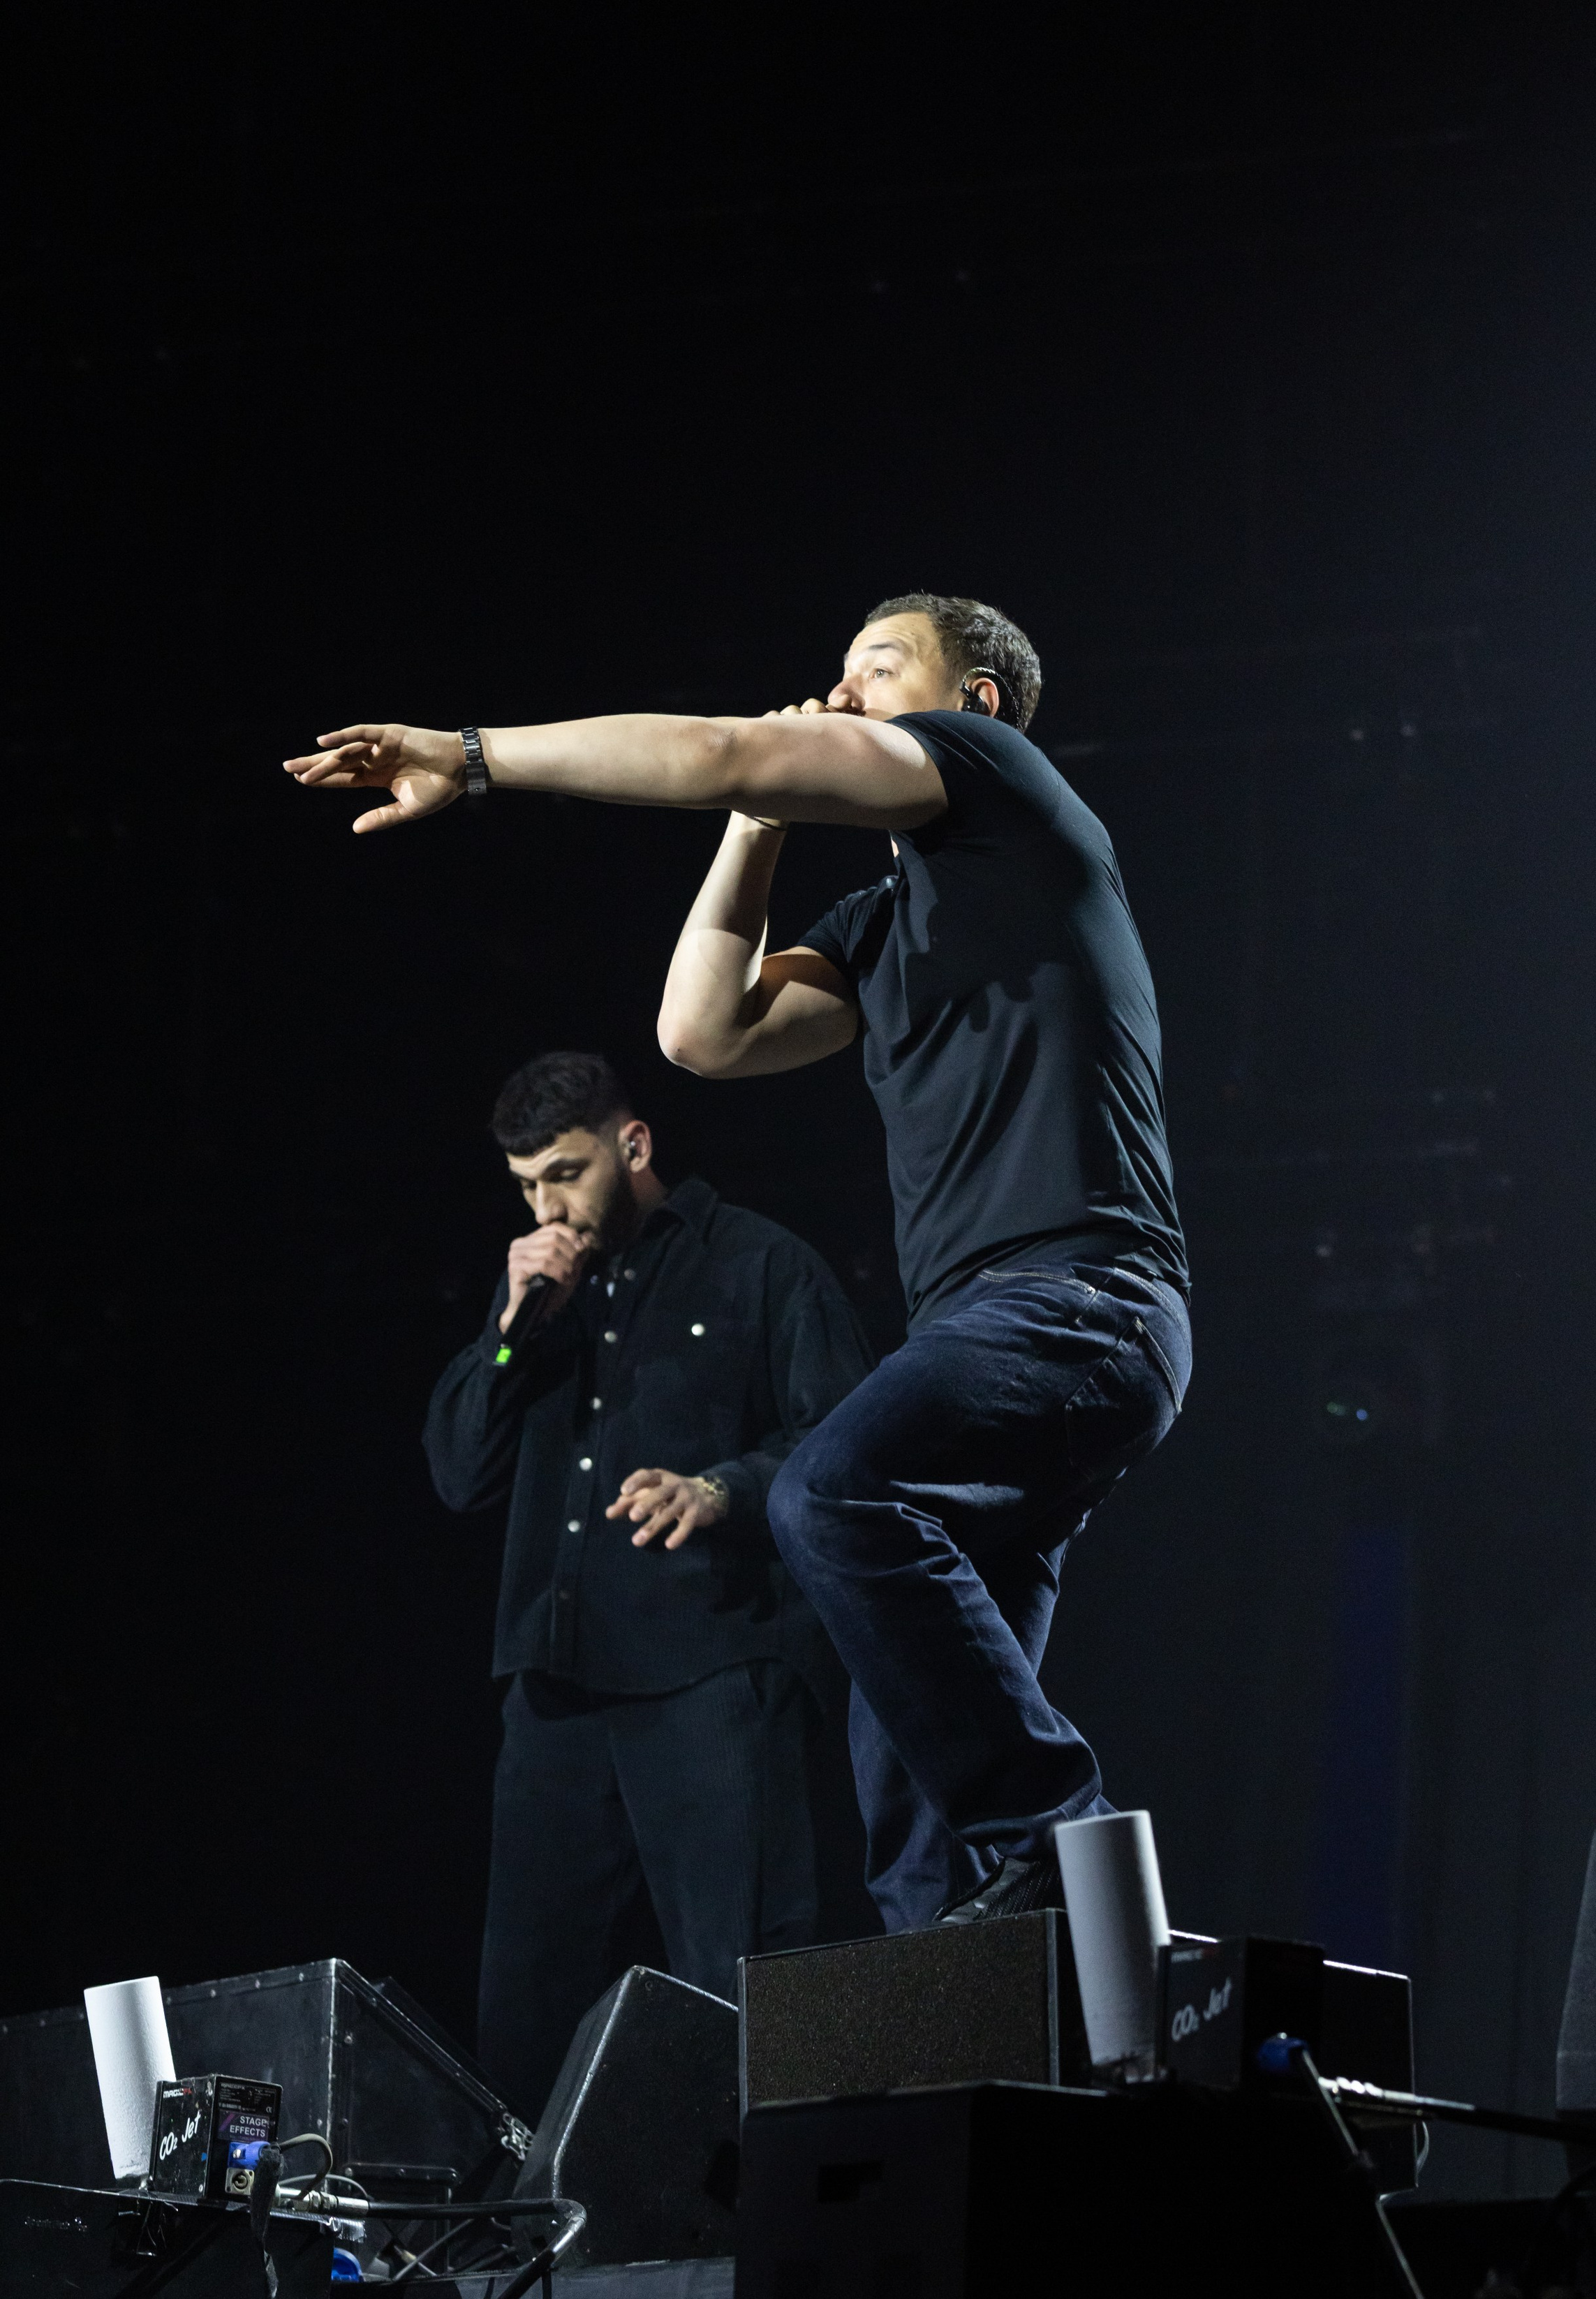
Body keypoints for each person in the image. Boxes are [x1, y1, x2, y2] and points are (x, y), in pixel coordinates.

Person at [288, 589, 1190, 1933]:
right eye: (834, 672)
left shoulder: (1004, 787)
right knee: (905, 1763)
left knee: (829, 1497)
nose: (837, 694)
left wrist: (473, 756)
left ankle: (1073, 1852)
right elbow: (701, 1031)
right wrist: (757, 827)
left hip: (1079, 1301)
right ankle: (962, 2041)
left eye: (875, 670)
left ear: (972, 702)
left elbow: (719, 747)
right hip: (989, 1333)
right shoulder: (890, 925)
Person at [423, 1048, 871, 2118]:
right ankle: (526, 2246)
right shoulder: (534, 1298)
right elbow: (457, 1472)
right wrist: (505, 1330)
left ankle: (773, 2228)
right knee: (526, 1998)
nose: (548, 1205)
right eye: (527, 1184)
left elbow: (847, 1445)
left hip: (709, 1671)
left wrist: (724, 1489)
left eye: (566, 1173)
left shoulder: (762, 1265)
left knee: (744, 1975)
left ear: (634, 1145)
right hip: (557, 1681)